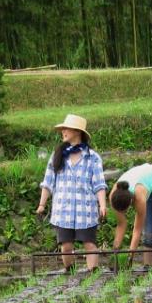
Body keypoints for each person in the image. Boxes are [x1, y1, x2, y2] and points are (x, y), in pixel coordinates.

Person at [37, 114, 107, 273]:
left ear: (77, 131)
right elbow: (48, 182)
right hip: (63, 210)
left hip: (86, 209)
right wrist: (42, 204)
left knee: (89, 244)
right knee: (66, 246)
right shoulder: (57, 155)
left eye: (66, 129)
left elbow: (99, 184)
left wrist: (102, 205)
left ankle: (93, 274)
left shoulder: (93, 157)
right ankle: (71, 272)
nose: (63, 132)